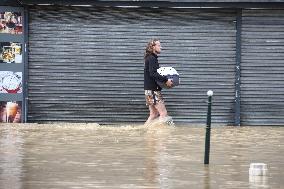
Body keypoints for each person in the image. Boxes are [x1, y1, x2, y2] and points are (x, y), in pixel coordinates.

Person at [144, 39, 173, 125]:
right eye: (159, 45)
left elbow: (152, 74)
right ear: (153, 47)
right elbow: (153, 74)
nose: (161, 47)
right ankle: (161, 134)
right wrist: (166, 80)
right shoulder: (152, 58)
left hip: (148, 90)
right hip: (153, 90)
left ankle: (144, 130)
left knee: (153, 114)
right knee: (163, 113)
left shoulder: (149, 58)